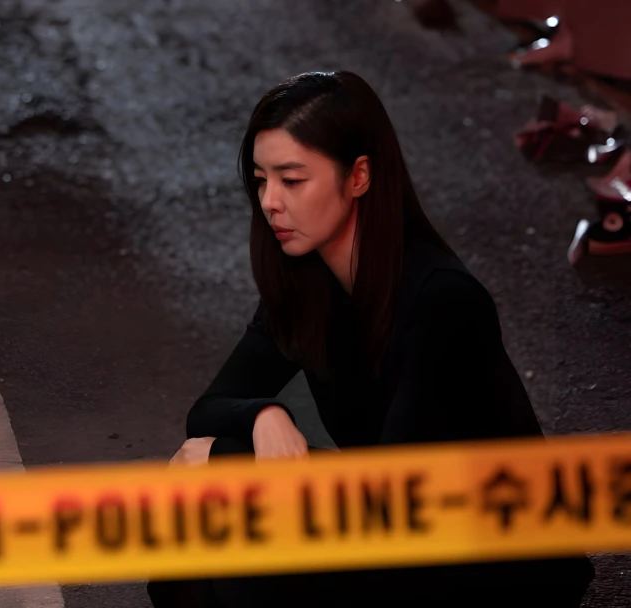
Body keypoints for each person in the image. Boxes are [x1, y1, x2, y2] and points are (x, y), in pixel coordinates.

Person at [148, 71, 595, 607]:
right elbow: (209, 409)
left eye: (292, 180)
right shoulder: (308, 283)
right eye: (261, 180)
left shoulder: (442, 300)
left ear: (359, 176)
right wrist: (265, 416)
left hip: (494, 565)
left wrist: (231, 460)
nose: (269, 202)